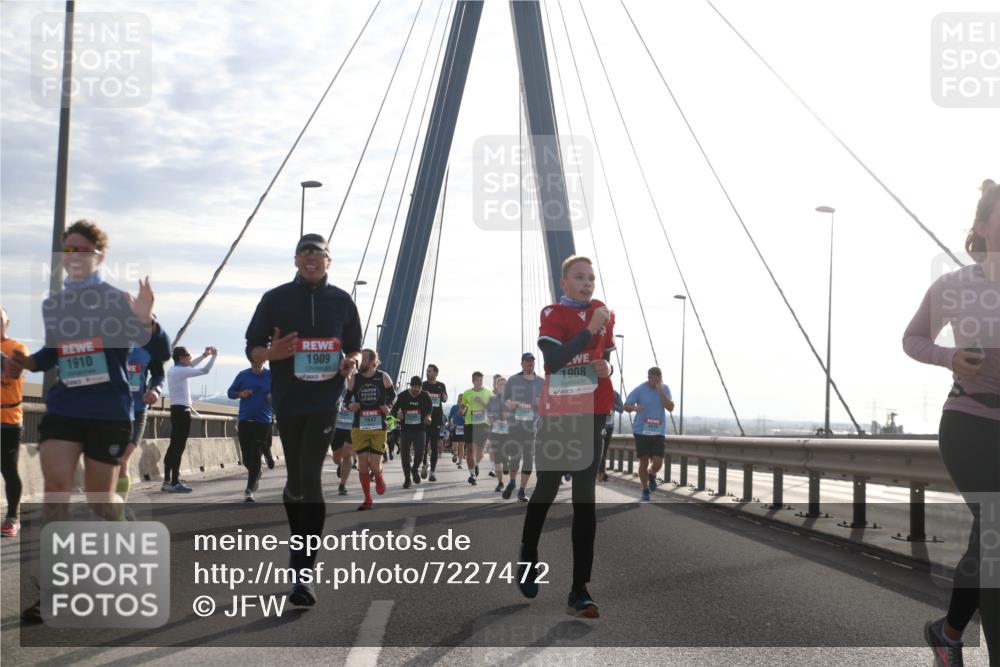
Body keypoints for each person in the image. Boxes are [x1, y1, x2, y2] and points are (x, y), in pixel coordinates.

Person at [6, 220, 170, 622]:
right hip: (65, 407)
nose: (72, 257)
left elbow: (158, 350)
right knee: (57, 490)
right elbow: (52, 354)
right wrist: (24, 362)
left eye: (80, 249)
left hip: (108, 411)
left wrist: (147, 319)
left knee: (100, 501)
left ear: (99, 255)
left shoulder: (117, 300)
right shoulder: (56, 303)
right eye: (67, 250)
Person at [905, 179, 999, 665]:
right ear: (982, 227)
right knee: (996, 527)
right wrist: (950, 357)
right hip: (969, 421)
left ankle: (948, 632)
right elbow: (913, 338)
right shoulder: (955, 285)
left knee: (990, 538)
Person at [245, 233, 362, 607]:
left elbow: (355, 345)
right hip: (288, 400)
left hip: (325, 400)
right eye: (305, 253)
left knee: (311, 478)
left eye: (319, 253)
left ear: (329, 260)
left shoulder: (342, 301)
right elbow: (252, 348)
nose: (312, 258)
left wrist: (352, 361)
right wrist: (270, 353)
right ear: (295, 260)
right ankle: (300, 555)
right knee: (295, 483)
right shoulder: (275, 299)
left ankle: (303, 572)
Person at [518, 255, 615, 619]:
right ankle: (528, 554)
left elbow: (606, 358)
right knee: (547, 486)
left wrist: (606, 367)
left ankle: (579, 590)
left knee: (584, 499)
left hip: (594, 410)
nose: (587, 283)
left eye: (591, 277)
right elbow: (555, 361)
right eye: (579, 277)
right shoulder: (552, 314)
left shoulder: (604, 313)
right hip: (559, 411)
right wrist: (589, 329)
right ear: (564, 283)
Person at [119, 342, 166, 516]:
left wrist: (155, 389)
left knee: (122, 460)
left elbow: (158, 374)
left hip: (137, 410)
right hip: (108, 409)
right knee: (106, 463)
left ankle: (119, 509)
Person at [345, 349, 395, 510]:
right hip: (359, 426)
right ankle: (367, 499)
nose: (361, 362)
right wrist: (350, 405)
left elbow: (393, 397)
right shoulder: (355, 378)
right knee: (362, 465)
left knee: (374, 466)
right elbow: (346, 400)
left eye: (364, 359)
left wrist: (389, 407)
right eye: (361, 359)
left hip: (379, 427)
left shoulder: (383, 377)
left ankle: (378, 475)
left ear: (373, 362)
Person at [163, 345, 217, 492]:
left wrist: (204, 355)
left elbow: (191, 365)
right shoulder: (181, 371)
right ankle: (175, 482)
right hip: (183, 411)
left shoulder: (174, 370)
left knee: (173, 445)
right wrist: (213, 356)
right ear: (182, 358)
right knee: (179, 447)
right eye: (188, 356)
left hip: (175, 410)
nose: (190, 358)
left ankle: (167, 480)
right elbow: (205, 370)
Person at [624, 368, 674, 502]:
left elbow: (670, 407)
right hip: (641, 430)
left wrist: (661, 391)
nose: (656, 382)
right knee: (644, 460)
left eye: (659, 379)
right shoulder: (639, 389)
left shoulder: (665, 388)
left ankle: (652, 473)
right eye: (654, 379)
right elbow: (626, 406)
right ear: (649, 378)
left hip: (658, 431)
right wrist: (634, 408)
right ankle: (645, 489)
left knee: (658, 462)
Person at [227, 360, 273, 502]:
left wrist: (273, 396)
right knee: (247, 459)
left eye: (259, 359)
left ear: (264, 360)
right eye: (254, 359)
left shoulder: (271, 375)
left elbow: (282, 393)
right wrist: (241, 393)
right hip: (245, 421)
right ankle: (257, 471)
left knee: (256, 454)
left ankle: (249, 490)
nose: (256, 362)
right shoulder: (243, 375)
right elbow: (230, 393)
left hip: (263, 422)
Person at [1, 306, 29, 537]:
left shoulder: (17, 348)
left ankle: (12, 517)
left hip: (8, 419)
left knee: (8, 468)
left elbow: (16, 372)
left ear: (7, 323)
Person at [503, 352, 544, 501]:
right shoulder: (513, 380)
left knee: (528, 458)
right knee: (515, 456)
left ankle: (522, 490)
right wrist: (511, 404)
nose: (530, 363)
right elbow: (505, 400)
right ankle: (512, 482)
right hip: (515, 424)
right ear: (522, 364)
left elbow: (547, 403)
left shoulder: (541, 382)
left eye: (532, 361)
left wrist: (540, 402)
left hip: (532, 426)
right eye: (527, 361)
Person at [390, 376, 432, 489]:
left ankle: (414, 469)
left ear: (421, 387)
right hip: (406, 430)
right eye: (414, 388)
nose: (416, 390)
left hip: (420, 430)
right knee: (405, 456)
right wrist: (397, 415)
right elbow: (392, 410)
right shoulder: (402, 396)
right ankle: (407, 479)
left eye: (418, 388)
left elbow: (430, 408)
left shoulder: (425, 396)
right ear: (410, 386)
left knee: (420, 453)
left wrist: (428, 417)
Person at [461, 372, 492, 485]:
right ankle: (472, 474)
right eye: (478, 380)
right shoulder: (467, 393)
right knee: (470, 450)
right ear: (473, 381)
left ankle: (476, 464)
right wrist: (462, 411)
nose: (480, 382)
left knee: (480, 453)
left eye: (481, 380)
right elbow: (463, 405)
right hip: (470, 423)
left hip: (483, 424)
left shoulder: (488, 392)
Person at [422, 364, 448, 481]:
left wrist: (443, 394)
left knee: (434, 445)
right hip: (424, 418)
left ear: (436, 373)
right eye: (427, 371)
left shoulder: (441, 385)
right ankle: (424, 463)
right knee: (423, 444)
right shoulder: (423, 385)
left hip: (436, 418)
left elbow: (445, 399)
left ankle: (432, 472)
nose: (427, 373)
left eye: (430, 371)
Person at [487, 377, 510, 492]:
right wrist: (491, 417)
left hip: (508, 433)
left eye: (504, 384)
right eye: (500, 384)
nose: (502, 386)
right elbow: (488, 413)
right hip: (495, 431)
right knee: (497, 458)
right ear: (496, 386)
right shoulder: (492, 399)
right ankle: (500, 482)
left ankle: (506, 463)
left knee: (506, 454)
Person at [332, 388, 356, 495]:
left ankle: (342, 485)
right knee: (336, 458)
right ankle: (340, 465)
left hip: (351, 427)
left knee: (347, 454)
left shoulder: (357, 389)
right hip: (336, 427)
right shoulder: (336, 387)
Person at [597, 390, 624, 483]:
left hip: (608, 426)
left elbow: (621, 409)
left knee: (603, 450)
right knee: (597, 448)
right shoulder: (597, 391)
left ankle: (601, 472)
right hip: (597, 425)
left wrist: (611, 404)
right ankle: (599, 472)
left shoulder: (615, 394)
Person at [448, 397, 465, 468]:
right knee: (455, 446)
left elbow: (468, 419)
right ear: (458, 400)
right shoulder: (454, 407)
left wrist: (462, 415)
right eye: (459, 400)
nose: (460, 401)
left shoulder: (466, 408)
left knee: (461, 446)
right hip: (455, 428)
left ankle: (460, 462)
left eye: (462, 400)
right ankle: (455, 454)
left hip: (463, 429)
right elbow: (449, 417)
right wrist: (450, 424)